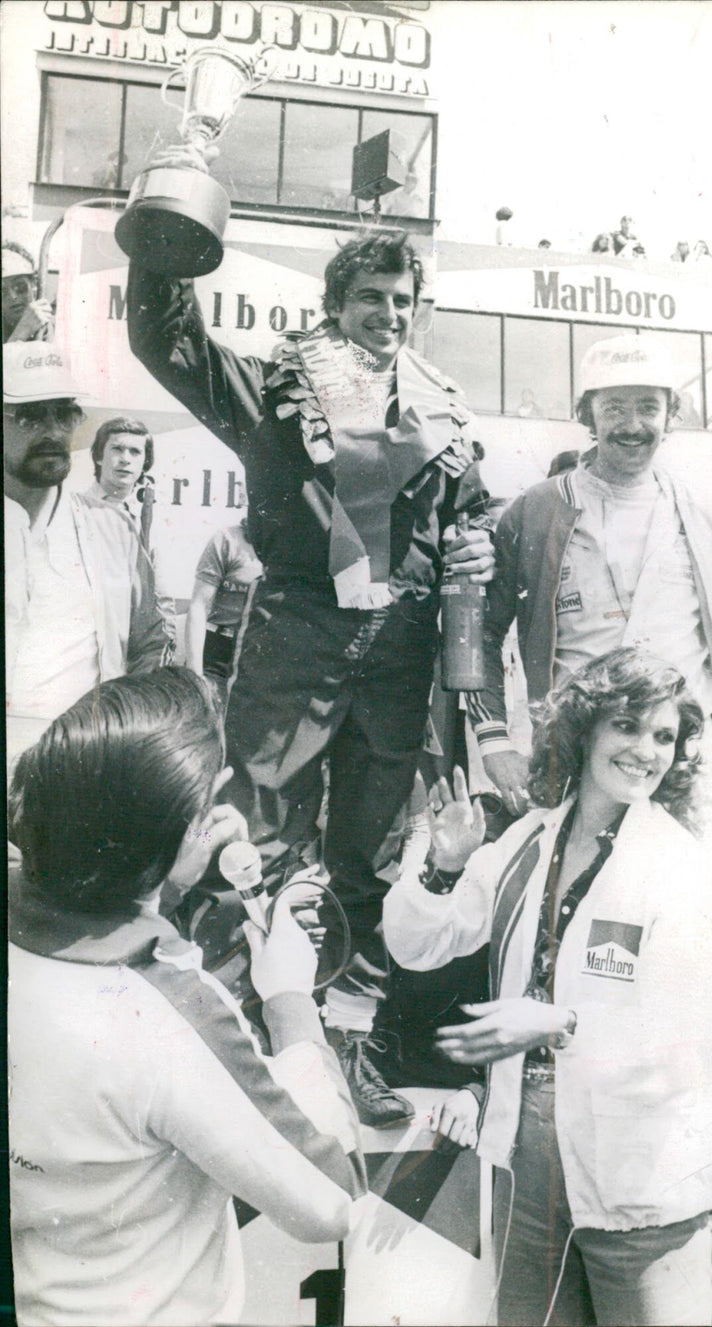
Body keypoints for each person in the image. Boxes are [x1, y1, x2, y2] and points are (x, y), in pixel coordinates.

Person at [127, 206, 495, 1127]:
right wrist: (169, 242)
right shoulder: (272, 386)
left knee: (372, 856)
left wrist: (477, 543)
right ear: (335, 304)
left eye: (403, 300)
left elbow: (472, 514)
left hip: (402, 650)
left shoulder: (443, 407)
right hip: (296, 635)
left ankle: (356, 1045)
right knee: (255, 836)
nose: (389, 313)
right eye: (370, 297)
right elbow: (167, 341)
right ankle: (234, 1039)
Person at [384, 648, 712, 1327]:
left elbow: (692, 1052)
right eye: (627, 725)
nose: (645, 750)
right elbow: (417, 944)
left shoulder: (685, 873)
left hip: (645, 1184)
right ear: (585, 728)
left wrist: (559, 1022)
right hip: (529, 1162)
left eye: (664, 735)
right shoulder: (530, 837)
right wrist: (444, 864)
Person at [7, 668, 367, 1326]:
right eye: (204, 801)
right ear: (162, 833)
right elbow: (333, 1197)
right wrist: (289, 997)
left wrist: (162, 872)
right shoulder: (169, 1007)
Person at [466, 333, 712, 818]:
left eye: (649, 407)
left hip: (681, 759)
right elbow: (481, 629)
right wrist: (494, 739)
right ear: (587, 414)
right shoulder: (536, 510)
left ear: (672, 415)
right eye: (614, 409)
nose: (633, 426)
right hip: (571, 755)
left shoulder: (705, 514)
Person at [4, 343, 175, 767]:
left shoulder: (111, 530)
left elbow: (150, 642)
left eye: (63, 414)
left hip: (78, 766)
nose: (52, 432)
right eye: (29, 415)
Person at [185, 514, 264, 703]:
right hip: (217, 652)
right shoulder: (228, 539)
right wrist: (196, 676)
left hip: (257, 653)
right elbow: (198, 607)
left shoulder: (290, 550)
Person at [84, 415, 153, 524]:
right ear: (99, 456)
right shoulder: (78, 508)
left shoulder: (157, 513)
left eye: (135, 451)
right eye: (117, 449)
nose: (125, 459)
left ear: (145, 461)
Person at [2, 241, 53, 343]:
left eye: (20, 287)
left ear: (34, 285)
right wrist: (21, 333)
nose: (13, 297)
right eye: (2, 291)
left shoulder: (58, 329)